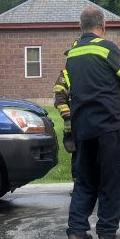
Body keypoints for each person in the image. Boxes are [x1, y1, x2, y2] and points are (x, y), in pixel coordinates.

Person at [65, 7, 120, 239]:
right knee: (111, 180)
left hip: (82, 128)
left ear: (80, 25)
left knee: (84, 181)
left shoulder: (73, 52)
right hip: (108, 125)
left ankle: (76, 235)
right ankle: (107, 237)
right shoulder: (106, 48)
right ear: (103, 25)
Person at [52, 54, 79, 183]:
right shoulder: (64, 77)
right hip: (74, 125)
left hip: (90, 122)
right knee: (77, 155)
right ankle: (78, 183)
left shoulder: (86, 73)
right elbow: (59, 101)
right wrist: (69, 117)